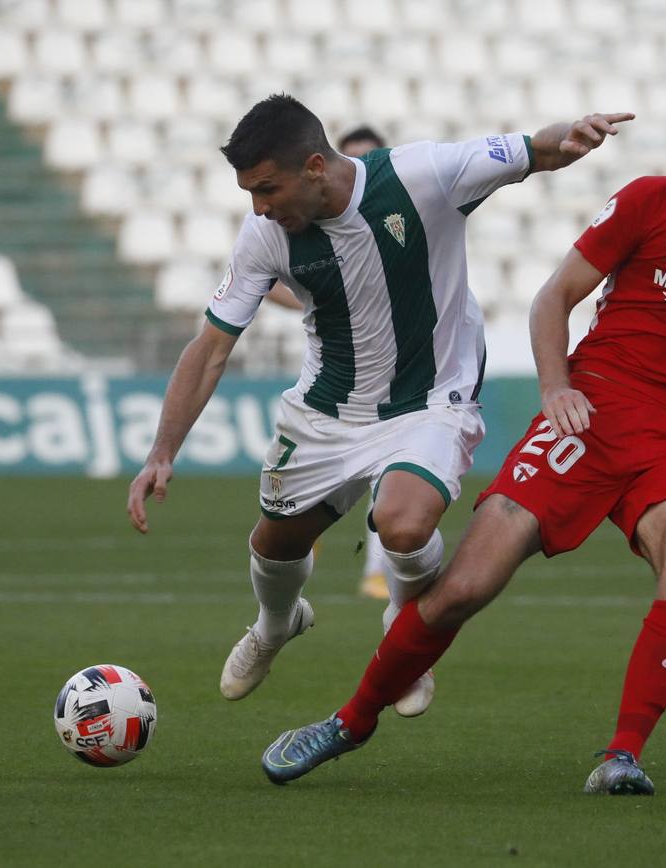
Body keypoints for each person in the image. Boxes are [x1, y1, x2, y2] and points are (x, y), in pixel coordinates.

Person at [261, 83, 666, 793]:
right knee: (464, 586)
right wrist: (556, 388)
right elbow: (553, 298)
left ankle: (621, 757)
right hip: (588, 420)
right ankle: (349, 721)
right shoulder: (652, 201)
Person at [127, 94, 632, 719]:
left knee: (405, 522)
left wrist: (573, 135)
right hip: (326, 409)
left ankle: (408, 637)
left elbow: (532, 149)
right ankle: (275, 624)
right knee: (276, 543)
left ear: (315, 167)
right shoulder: (265, 235)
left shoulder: (423, 177)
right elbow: (209, 348)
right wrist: (162, 451)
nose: (258, 206)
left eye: (266, 188)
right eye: (249, 192)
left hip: (430, 398)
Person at [265, 124, 392, 601]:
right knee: (314, 462)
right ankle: (305, 532)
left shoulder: (394, 213)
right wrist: (313, 301)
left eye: (370, 155)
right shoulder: (302, 228)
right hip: (331, 369)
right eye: (353, 153)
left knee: (390, 476)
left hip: (395, 379)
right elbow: (262, 284)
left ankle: (379, 572)